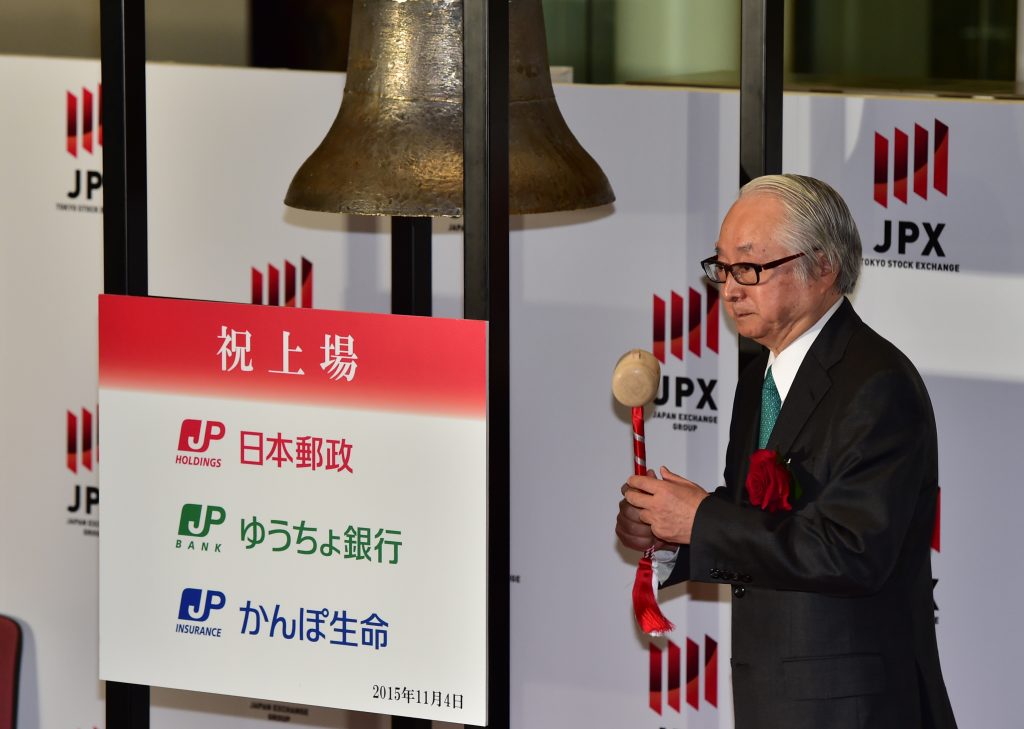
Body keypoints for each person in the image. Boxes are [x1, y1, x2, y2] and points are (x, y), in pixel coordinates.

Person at [616, 174, 957, 729]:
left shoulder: (877, 384)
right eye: (721, 268)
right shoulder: (759, 379)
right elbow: (760, 525)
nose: (729, 289)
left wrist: (702, 518)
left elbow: (851, 550)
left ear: (823, 267)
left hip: (852, 707)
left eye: (750, 267)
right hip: (772, 698)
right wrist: (672, 533)